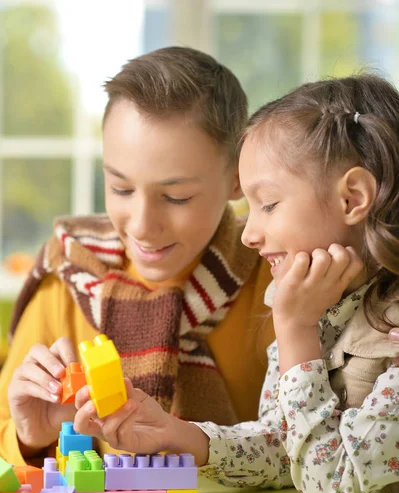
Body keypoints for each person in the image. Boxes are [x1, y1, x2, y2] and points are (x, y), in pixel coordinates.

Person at [73, 73, 399, 493]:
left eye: (267, 204)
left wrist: (296, 331)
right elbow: (289, 449)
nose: (248, 235)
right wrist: (182, 436)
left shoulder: (310, 318)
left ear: (353, 198)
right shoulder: (318, 306)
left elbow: (331, 487)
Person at [1, 47, 275, 466]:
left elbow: (321, 446)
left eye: (176, 196)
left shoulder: (278, 278)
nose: (143, 225)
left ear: (237, 179)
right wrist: (30, 437)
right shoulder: (67, 277)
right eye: (121, 189)